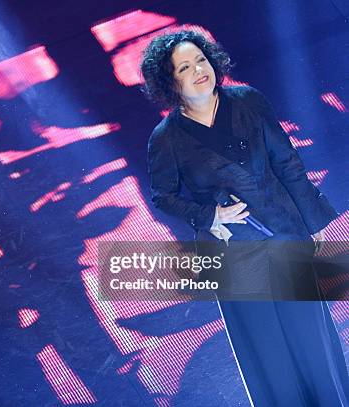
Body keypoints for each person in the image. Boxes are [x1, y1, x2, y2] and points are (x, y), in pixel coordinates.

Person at [140, 30, 349, 406]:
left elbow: (286, 162)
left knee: (311, 339)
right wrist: (207, 214)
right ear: (170, 82)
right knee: (266, 351)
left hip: (284, 235)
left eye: (201, 59)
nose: (198, 70)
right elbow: (163, 198)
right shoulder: (165, 138)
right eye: (185, 67)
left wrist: (309, 224)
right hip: (231, 255)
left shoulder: (248, 101)